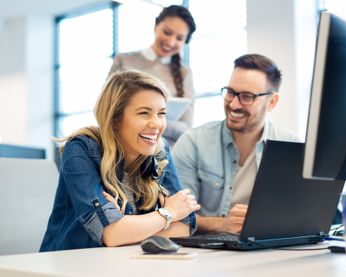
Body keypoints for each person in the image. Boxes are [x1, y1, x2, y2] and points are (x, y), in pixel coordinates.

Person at [40, 70, 200, 251]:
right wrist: (167, 213)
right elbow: (112, 234)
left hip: (123, 264)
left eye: (161, 113)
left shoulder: (159, 150)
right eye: (144, 113)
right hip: (68, 265)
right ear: (115, 117)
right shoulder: (81, 148)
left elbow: (184, 226)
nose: (156, 124)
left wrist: (127, 227)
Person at [172, 54, 297, 234]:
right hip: (208, 254)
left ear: (272, 102)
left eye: (247, 97)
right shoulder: (193, 143)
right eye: (230, 92)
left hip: (271, 250)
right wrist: (222, 225)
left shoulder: (292, 147)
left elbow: (301, 216)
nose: (234, 104)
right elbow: (177, 216)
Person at [108, 5, 196, 145]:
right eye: (167, 32)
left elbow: (186, 128)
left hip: (165, 156)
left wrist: (150, 122)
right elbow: (107, 108)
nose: (171, 42)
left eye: (179, 38)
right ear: (156, 26)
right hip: (124, 148)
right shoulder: (124, 61)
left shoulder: (184, 74)